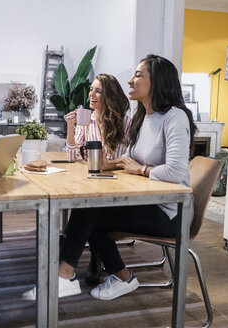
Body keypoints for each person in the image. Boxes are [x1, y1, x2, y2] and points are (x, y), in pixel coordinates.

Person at [23, 54, 197, 301]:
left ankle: (65, 275)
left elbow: (177, 172)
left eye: (138, 75)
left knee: (89, 211)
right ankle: (121, 277)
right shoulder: (142, 117)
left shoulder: (174, 116)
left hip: (171, 211)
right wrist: (114, 165)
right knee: (90, 211)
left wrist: (141, 170)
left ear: (158, 81)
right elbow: (129, 160)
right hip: (148, 200)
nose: (130, 81)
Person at [64, 74, 131, 162]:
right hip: (93, 172)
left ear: (109, 96)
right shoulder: (85, 120)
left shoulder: (124, 121)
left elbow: (132, 156)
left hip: (119, 174)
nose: (91, 94)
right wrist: (70, 126)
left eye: (98, 91)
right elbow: (72, 156)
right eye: (91, 89)